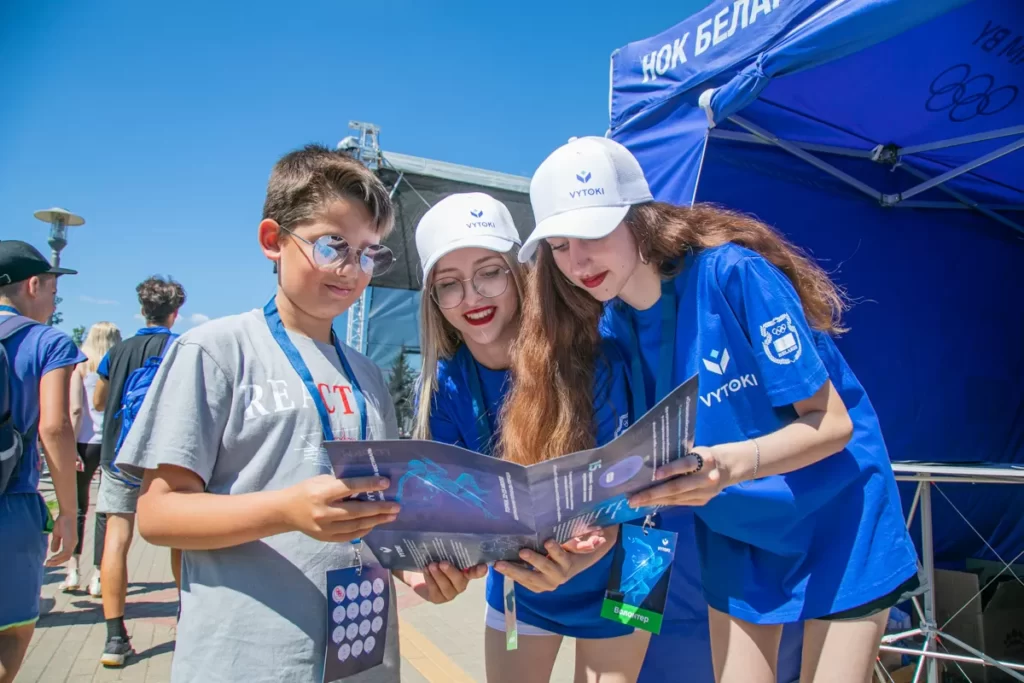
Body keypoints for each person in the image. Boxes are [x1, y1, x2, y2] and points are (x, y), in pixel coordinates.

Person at [516, 136, 918, 683]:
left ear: (640, 219)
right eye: (559, 246)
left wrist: (726, 466)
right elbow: (639, 496)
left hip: (837, 520)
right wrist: (577, 555)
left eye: (592, 233)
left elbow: (832, 423)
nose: (577, 261)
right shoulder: (611, 332)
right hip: (737, 533)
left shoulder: (733, 274)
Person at [113, 144, 485, 683]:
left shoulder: (368, 375)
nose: (352, 270)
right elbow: (158, 514)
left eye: (369, 254)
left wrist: (415, 572)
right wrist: (286, 510)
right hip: (249, 657)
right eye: (333, 246)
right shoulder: (216, 351)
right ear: (273, 240)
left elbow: (375, 516)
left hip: (363, 655)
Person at [414, 192, 649, 683]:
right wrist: (436, 565)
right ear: (433, 300)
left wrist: (585, 552)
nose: (472, 297)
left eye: (489, 273)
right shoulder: (443, 387)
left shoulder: (596, 353)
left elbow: (631, 494)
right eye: (449, 284)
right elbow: (454, 509)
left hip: (633, 560)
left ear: (521, 273)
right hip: (521, 574)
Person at [0, 240, 83, 682]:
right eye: (53, 290)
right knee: (12, 633)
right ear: (33, 284)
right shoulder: (47, 341)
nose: (53, 301)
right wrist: (67, 513)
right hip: (12, 503)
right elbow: (55, 427)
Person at [91, 276, 185, 666]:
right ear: (175, 312)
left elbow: (99, 402)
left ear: (142, 310)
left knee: (116, 539)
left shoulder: (118, 351)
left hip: (118, 456)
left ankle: (115, 638)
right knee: (181, 540)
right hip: (167, 459)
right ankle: (187, 621)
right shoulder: (182, 348)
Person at [61, 321, 122, 596]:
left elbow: (75, 410)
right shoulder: (117, 368)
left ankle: (72, 569)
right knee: (105, 510)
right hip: (111, 443)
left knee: (77, 506)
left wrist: (70, 446)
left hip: (84, 443)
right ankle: (99, 575)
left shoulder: (80, 368)